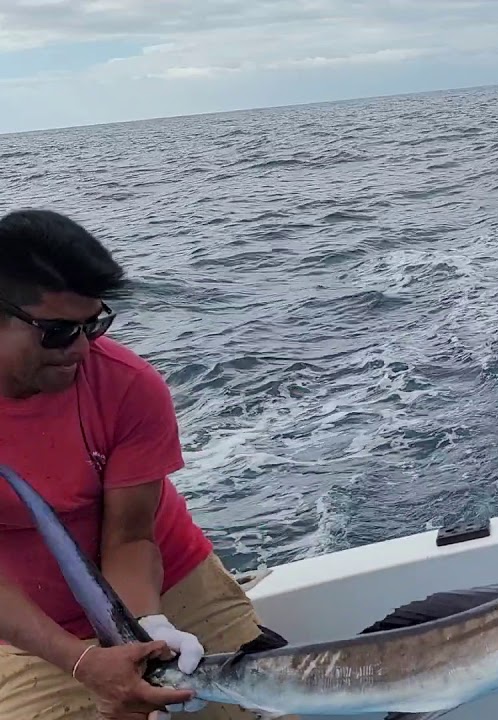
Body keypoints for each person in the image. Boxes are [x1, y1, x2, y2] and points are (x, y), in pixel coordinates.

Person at [0, 209, 293, 720]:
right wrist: (85, 662)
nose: (82, 348)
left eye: (94, 324)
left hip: (172, 587)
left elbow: (131, 537)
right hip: (26, 626)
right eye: (56, 331)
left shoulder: (128, 384)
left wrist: (145, 626)